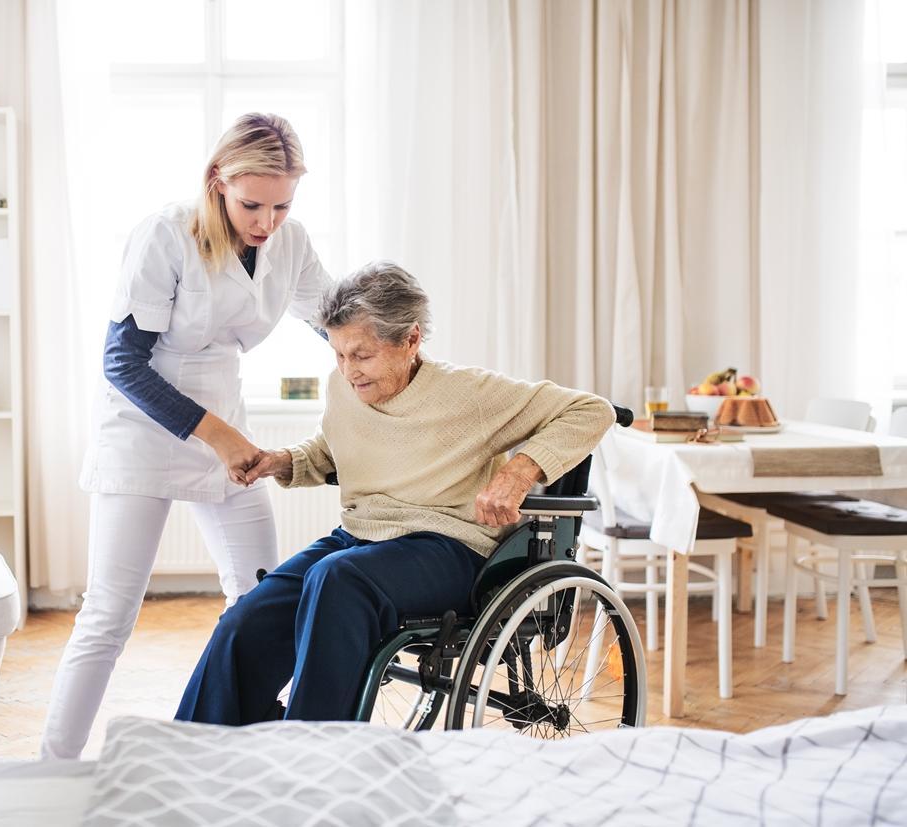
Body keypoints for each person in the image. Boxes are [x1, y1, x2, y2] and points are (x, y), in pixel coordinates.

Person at [175, 261, 615, 725]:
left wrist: (520, 471)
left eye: (361, 356)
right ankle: (197, 750)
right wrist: (282, 461)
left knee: (337, 580)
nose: (348, 371)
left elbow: (592, 410)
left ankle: (311, 758)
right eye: (339, 355)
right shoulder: (344, 386)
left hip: (448, 546)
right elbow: (334, 448)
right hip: (361, 540)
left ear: (410, 340)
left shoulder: (469, 394)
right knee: (249, 619)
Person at [41, 114, 332, 758]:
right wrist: (221, 437)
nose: (266, 221)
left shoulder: (291, 242)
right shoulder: (165, 236)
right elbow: (123, 365)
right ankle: (53, 765)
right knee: (109, 616)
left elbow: (335, 321)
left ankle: (249, 752)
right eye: (251, 203)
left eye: (282, 205)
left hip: (225, 421)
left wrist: (397, 352)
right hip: (143, 430)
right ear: (216, 183)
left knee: (259, 603)